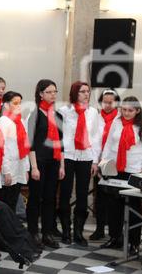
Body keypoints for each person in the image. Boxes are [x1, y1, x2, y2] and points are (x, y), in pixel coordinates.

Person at [100, 96, 142, 255]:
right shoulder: (116, 123)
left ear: (137, 110)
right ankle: (115, 238)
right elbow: (108, 145)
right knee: (114, 207)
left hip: (134, 171)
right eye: (124, 110)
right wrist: (104, 165)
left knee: (134, 207)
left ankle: (134, 242)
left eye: (130, 110)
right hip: (115, 170)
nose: (127, 113)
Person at [57, 81, 101, 247]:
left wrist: (95, 161)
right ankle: (66, 231)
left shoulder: (93, 113)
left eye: (88, 91)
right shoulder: (63, 111)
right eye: (82, 91)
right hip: (68, 156)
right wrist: (60, 162)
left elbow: (96, 137)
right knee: (65, 194)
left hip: (86, 156)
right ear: (75, 93)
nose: (86, 94)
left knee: (82, 195)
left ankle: (78, 232)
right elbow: (58, 138)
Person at [26, 79, 65, 249]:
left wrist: (62, 165)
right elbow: (31, 144)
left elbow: (61, 144)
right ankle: (33, 233)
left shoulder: (58, 116)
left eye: (55, 92)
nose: (53, 95)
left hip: (54, 162)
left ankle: (47, 233)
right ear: (41, 94)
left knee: (50, 199)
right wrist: (34, 167)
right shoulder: (35, 115)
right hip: (39, 162)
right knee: (35, 198)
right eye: (49, 92)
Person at [90, 88, 120, 241]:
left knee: (115, 199)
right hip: (99, 161)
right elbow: (94, 140)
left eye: (111, 102)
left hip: (116, 163)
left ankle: (115, 233)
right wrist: (95, 161)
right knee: (100, 197)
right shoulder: (96, 117)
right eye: (104, 102)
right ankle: (99, 229)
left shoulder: (121, 118)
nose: (107, 105)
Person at [0, 91, 30, 212]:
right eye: (15, 103)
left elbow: (24, 146)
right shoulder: (3, 121)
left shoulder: (20, 121)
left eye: (20, 103)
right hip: (8, 170)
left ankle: (10, 228)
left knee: (13, 203)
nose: (19, 106)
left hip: (18, 168)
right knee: (6, 204)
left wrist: (26, 169)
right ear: (6, 105)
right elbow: (1, 148)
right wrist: (6, 171)